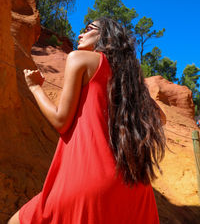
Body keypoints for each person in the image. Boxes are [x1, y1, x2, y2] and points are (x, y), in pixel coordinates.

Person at [8, 17, 166, 224]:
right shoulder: (129, 80)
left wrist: (35, 87)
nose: (80, 33)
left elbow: (60, 121)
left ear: (106, 35)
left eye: (88, 28)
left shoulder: (80, 59)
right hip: (135, 185)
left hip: (88, 178)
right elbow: (160, 118)